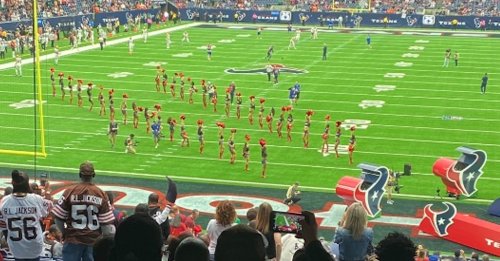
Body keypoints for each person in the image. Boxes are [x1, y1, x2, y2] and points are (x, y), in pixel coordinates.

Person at [52, 161, 115, 261]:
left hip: (73, 239)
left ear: (80, 174)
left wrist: (65, 233)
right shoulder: (101, 194)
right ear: (93, 175)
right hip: (93, 241)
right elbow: (106, 225)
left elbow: (58, 217)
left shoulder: (69, 191)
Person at [0, 170, 50, 261]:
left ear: (12, 183)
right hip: (35, 247)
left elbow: (3, 226)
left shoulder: (4, 202)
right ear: (27, 184)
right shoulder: (36, 199)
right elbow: (49, 210)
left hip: (16, 248)